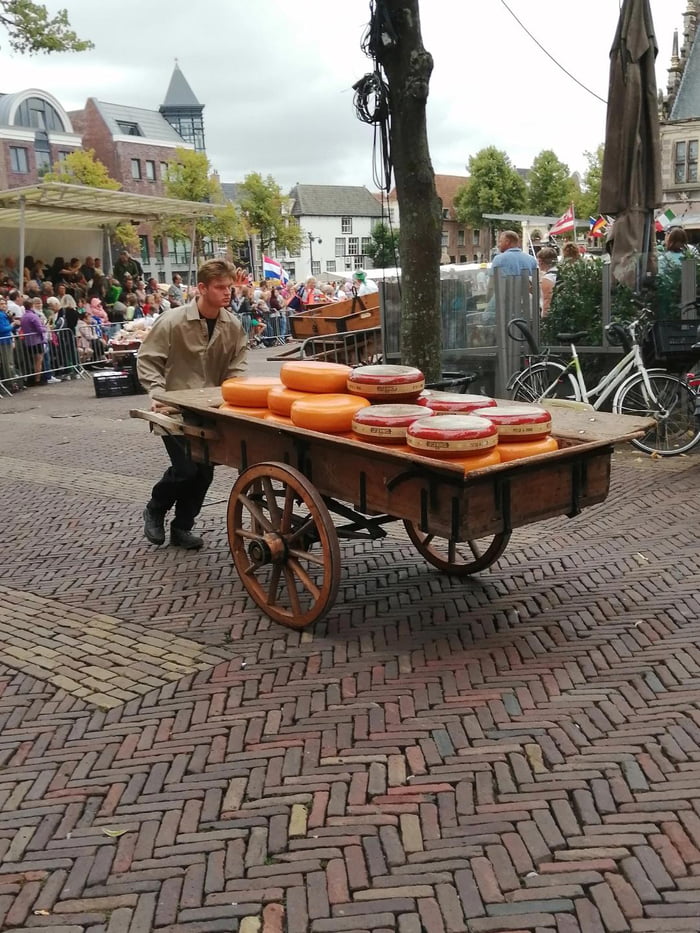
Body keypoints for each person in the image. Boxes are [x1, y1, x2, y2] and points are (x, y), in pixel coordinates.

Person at [137, 259, 247, 550]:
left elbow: (237, 365)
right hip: (173, 408)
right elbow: (148, 359)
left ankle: (182, 526)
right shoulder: (172, 321)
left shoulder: (232, 325)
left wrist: (232, 394)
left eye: (230, 287)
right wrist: (159, 394)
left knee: (204, 473)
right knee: (186, 468)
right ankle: (156, 507)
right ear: (201, 288)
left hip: (210, 410)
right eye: (220, 287)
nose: (228, 293)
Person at [537, 247, 558, 317]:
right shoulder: (560, 272)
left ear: (541, 261)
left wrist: (545, 317)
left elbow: (547, 299)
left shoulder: (547, 278)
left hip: (553, 316)